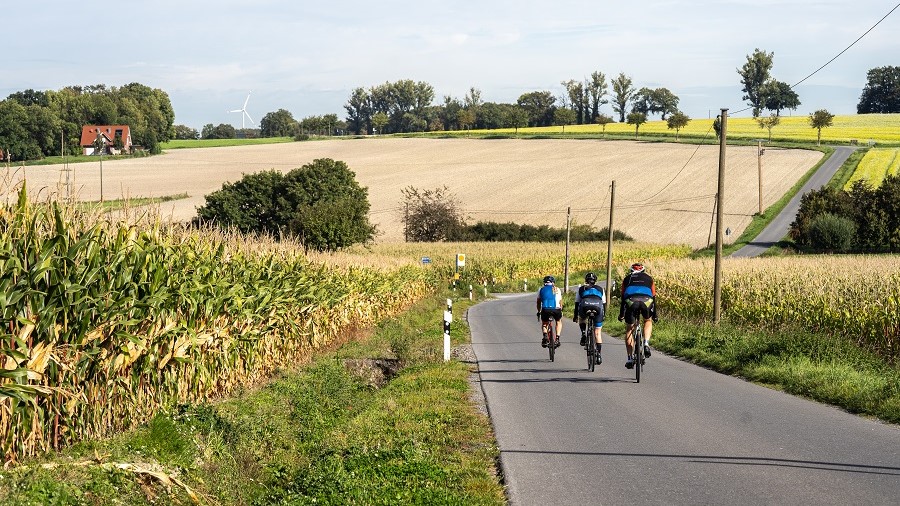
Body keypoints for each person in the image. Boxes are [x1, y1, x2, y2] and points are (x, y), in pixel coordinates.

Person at [617, 262, 658, 369]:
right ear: (643, 271)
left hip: (631, 300)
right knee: (647, 321)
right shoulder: (649, 278)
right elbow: (654, 297)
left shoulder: (627, 279)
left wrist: (621, 314)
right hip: (647, 301)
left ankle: (630, 358)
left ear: (631, 271)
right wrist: (655, 315)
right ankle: (646, 344)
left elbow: (623, 298)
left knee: (629, 329)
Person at [573, 272, 605, 364]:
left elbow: (577, 303)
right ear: (595, 280)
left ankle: (583, 333)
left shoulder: (581, 289)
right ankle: (598, 355)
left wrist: (575, 316)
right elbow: (604, 303)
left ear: (585, 280)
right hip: (598, 308)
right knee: (597, 332)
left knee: (582, 319)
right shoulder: (600, 289)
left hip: (585, 307)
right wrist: (604, 315)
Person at [536, 275, 563, 348]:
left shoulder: (541, 289)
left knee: (545, 323)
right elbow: (560, 302)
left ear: (544, 283)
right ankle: (557, 338)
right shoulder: (557, 289)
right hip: (556, 309)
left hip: (545, 309)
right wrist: (561, 310)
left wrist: (539, 311)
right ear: (553, 283)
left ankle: (545, 335)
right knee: (558, 322)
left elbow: (538, 302)